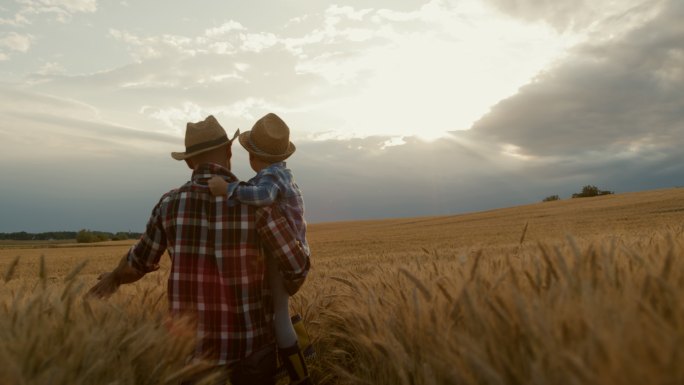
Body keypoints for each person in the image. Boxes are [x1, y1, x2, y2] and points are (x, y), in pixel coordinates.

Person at [87, 115, 311, 385]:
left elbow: (138, 263)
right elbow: (296, 266)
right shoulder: (256, 202)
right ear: (230, 151)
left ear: (190, 162)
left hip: (191, 360)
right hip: (251, 355)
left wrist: (113, 278)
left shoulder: (169, 205)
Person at [207, 112, 311, 385]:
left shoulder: (271, 179)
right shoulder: (284, 174)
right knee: (281, 311)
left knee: (279, 316)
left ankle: (301, 377)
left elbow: (262, 197)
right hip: (292, 253)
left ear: (254, 158)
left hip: (281, 257)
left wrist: (227, 189)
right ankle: (305, 357)